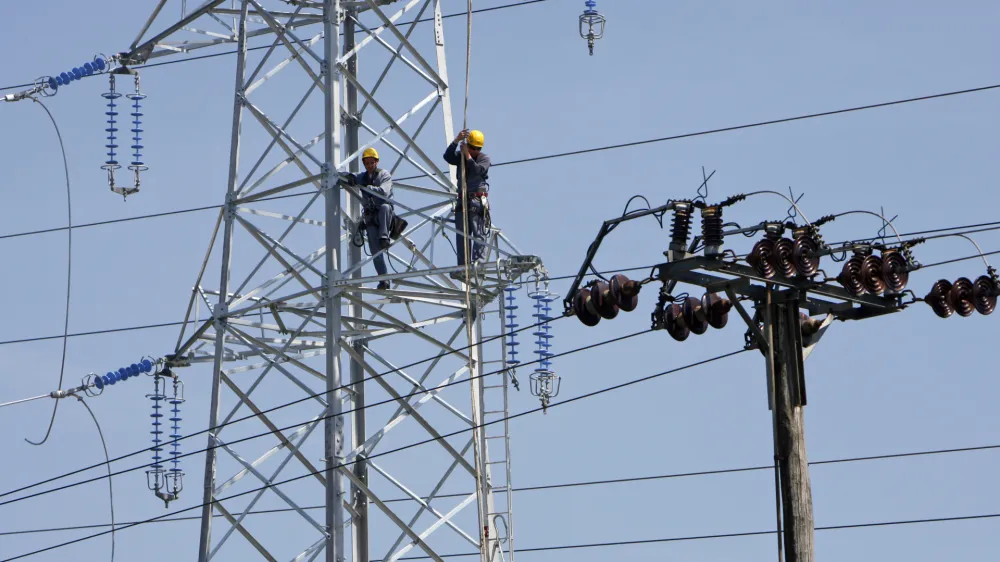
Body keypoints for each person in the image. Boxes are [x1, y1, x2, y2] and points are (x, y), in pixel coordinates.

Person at [345, 147, 394, 290]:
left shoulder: (384, 175)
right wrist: (349, 178)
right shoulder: (363, 177)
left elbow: (384, 192)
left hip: (384, 215)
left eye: (371, 163)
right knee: (375, 251)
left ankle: (384, 238)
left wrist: (367, 188)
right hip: (371, 218)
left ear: (376, 162)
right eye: (367, 163)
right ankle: (383, 279)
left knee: (385, 207)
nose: (369, 166)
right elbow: (351, 176)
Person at [444, 129, 491, 270]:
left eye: (477, 148)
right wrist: (456, 140)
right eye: (471, 147)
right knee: (462, 235)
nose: (474, 150)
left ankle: (478, 265)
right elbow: (448, 157)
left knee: (479, 234)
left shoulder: (484, 159)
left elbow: (477, 171)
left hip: (476, 200)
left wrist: (467, 155)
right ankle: (463, 266)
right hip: (462, 200)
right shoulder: (461, 157)